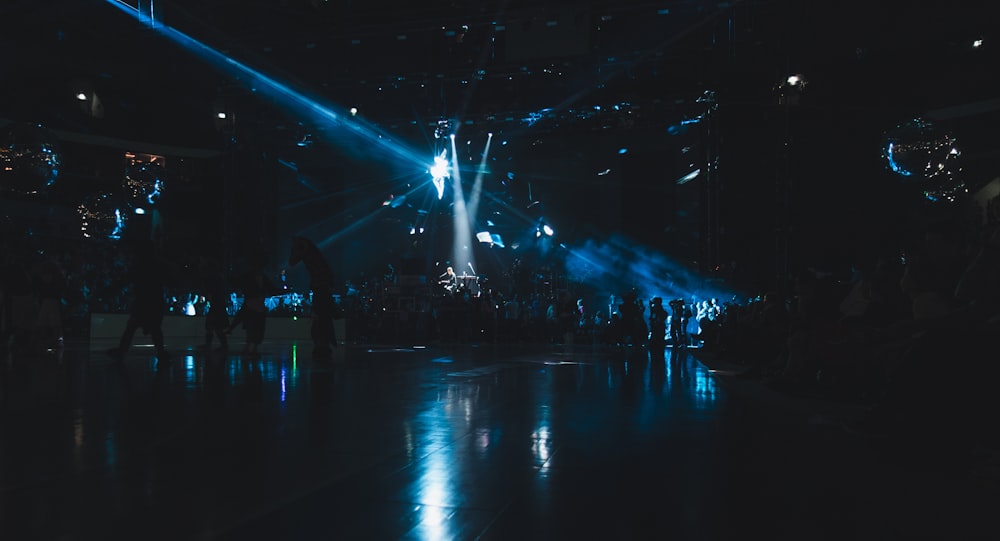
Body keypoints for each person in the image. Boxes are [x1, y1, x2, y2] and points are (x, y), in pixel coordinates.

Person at [107, 240, 171, 365]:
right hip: (155, 301)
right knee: (154, 328)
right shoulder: (157, 264)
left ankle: (122, 351)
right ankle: (161, 353)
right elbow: (168, 279)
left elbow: (126, 279)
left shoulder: (139, 265)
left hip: (143, 300)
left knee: (132, 326)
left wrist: (111, 290)